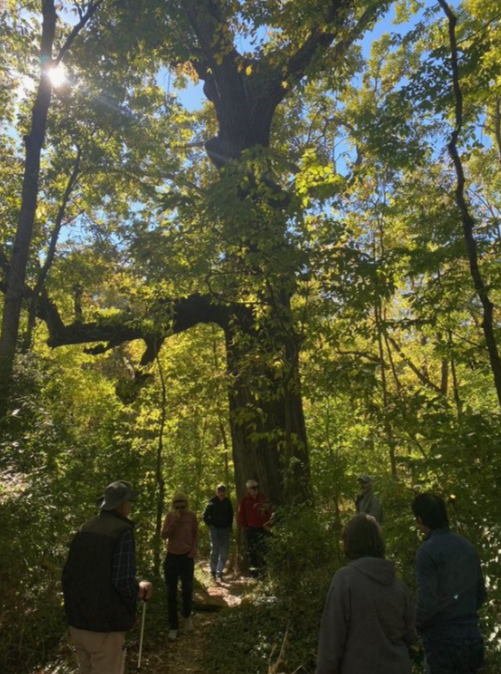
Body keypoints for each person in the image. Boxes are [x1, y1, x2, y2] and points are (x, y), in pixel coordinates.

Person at [62, 480, 153, 674]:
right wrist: (140, 589)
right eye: (129, 502)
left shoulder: (85, 527)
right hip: (104, 625)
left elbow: (69, 573)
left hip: (77, 621)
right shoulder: (121, 531)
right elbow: (122, 581)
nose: (130, 506)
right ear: (122, 505)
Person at [316, 514, 415, 674]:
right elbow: (409, 636)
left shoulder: (345, 580)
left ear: (350, 543)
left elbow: (331, 639)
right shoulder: (399, 587)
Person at [412, 493, 486, 674]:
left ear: (420, 519)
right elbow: (481, 595)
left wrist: (416, 630)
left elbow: (427, 602)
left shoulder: (427, 552)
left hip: (442, 642)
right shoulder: (467, 547)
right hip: (472, 638)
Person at [161, 491, 198, 641]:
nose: (180, 509)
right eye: (178, 506)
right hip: (172, 557)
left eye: (183, 506)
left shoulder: (191, 516)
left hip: (187, 557)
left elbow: (195, 534)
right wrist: (174, 523)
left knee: (187, 589)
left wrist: (193, 549)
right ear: (173, 505)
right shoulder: (170, 517)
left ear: (186, 504)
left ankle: (187, 617)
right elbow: (164, 535)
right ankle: (173, 627)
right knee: (171, 592)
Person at [237, 478, 271, 577]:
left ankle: (265, 572)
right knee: (252, 551)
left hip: (263, 528)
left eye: (257, 487)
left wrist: (268, 524)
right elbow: (240, 515)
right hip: (251, 529)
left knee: (264, 549)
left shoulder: (263, 498)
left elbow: (269, 512)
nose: (255, 489)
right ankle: (254, 573)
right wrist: (246, 527)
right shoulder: (244, 501)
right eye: (253, 488)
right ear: (248, 489)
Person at [203, 483, 233, 582]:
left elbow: (231, 515)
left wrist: (229, 526)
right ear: (217, 492)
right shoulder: (211, 502)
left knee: (224, 552)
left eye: (223, 493)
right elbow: (205, 515)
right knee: (215, 550)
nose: (221, 494)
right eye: (220, 492)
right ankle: (213, 571)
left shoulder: (227, 502)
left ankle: (219, 572)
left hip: (225, 529)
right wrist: (210, 525)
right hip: (214, 529)